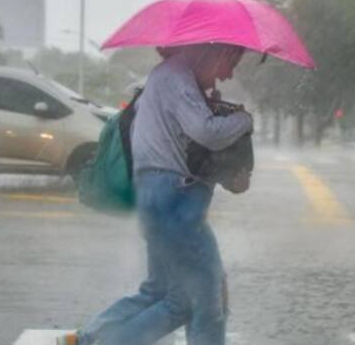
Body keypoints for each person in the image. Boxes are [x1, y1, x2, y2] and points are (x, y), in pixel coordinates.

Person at [59, 43, 253, 345]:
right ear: (221, 53)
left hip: (160, 199)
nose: (228, 75)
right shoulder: (177, 77)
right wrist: (243, 121)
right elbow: (206, 132)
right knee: (205, 298)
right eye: (232, 63)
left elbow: (190, 148)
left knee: (161, 291)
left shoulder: (169, 79)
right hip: (176, 202)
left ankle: (88, 339)